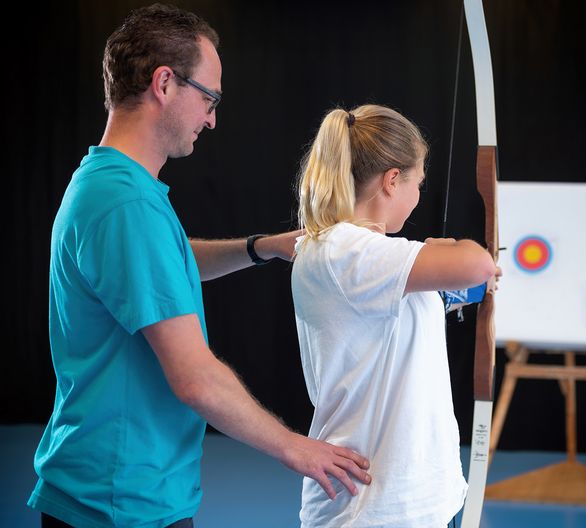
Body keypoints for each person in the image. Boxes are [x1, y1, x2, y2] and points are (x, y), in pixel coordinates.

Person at [28, 5, 370, 527]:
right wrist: (297, 448)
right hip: (120, 504)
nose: (211, 118)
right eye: (208, 97)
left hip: (117, 491)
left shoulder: (112, 186)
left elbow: (164, 263)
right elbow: (195, 379)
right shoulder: (127, 205)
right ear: (164, 83)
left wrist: (261, 246)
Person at [291, 105, 498, 527]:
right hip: (375, 508)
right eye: (417, 183)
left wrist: (458, 278)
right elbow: (476, 263)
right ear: (391, 181)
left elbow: (414, 308)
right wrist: (453, 251)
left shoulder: (365, 258)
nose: (418, 195)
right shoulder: (347, 249)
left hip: (416, 498)